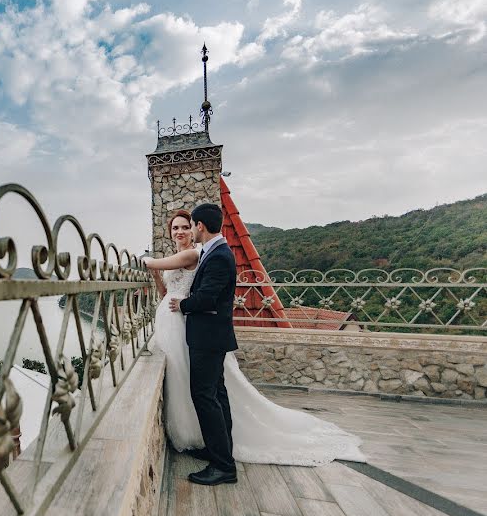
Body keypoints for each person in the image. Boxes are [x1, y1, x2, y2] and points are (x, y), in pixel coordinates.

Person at [144, 204, 365, 486]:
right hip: (208, 335)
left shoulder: (219, 255)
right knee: (217, 395)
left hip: (208, 337)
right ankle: (218, 450)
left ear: (199, 226)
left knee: (205, 396)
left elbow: (208, 298)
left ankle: (223, 466)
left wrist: (183, 303)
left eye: (190, 226)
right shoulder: (216, 252)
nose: (186, 231)